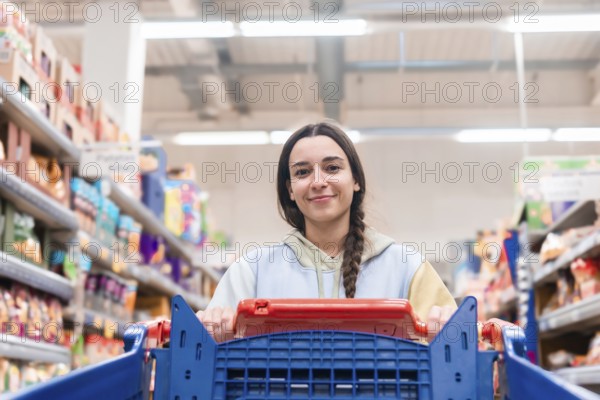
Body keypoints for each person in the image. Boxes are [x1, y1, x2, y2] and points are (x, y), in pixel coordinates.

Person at [197, 122, 457, 342]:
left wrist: (450, 330)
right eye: (303, 172)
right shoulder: (251, 272)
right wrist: (210, 329)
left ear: (355, 180)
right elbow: (204, 357)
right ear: (290, 189)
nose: (319, 182)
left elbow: (457, 353)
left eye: (332, 168)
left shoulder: (407, 268)